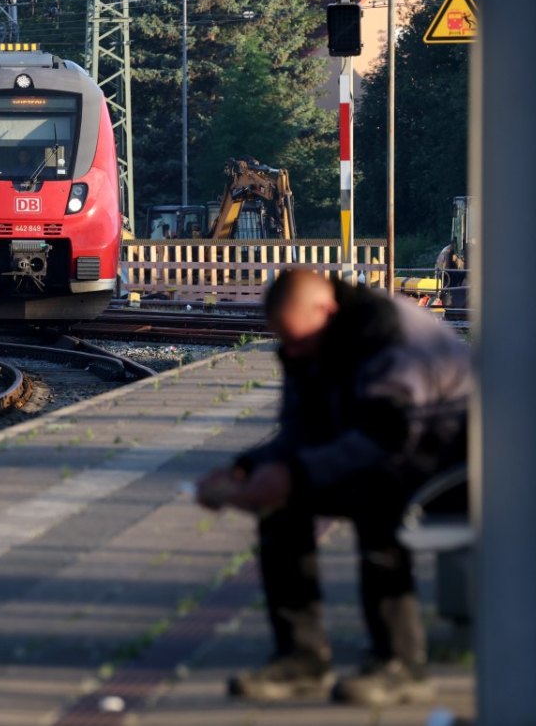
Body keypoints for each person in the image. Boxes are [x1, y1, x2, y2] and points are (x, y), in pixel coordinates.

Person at [197, 269, 470, 706]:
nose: (294, 353)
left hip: (457, 467)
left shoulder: (386, 330)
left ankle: (402, 664)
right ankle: (301, 660)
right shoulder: (309, 341)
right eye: (286, 342)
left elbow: (388, 435)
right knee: (281, 506)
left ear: (327, 311)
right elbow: (298, 432)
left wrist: (295, 474)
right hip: (400, 456)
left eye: (300, 341)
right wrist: (245, 471)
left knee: (375, 496)